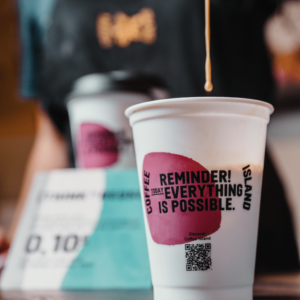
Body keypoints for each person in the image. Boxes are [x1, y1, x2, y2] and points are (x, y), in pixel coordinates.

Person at [4, 0, 298, 272]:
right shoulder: (37, 3)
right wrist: (18, 249)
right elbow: (55, 133)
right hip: (102, 253)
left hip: (239, 237)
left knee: (209, 273)